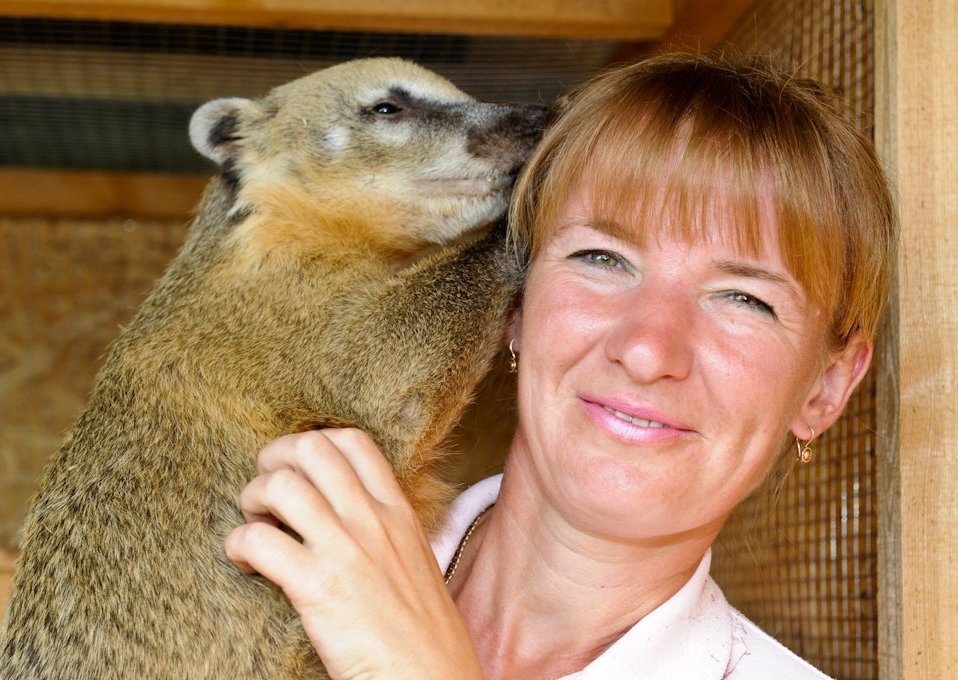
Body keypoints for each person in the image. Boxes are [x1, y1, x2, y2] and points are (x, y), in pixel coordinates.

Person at [224, 52, 896, 679]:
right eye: (602, 258)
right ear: (514, 301)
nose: (647, 350)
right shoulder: (265, 566)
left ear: (825, 388)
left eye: (744, 298)